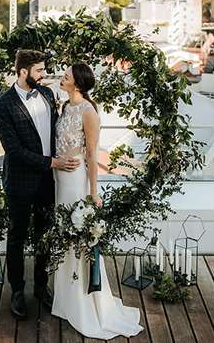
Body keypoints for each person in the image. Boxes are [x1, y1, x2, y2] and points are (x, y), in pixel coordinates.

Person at [51, 62, 144, 339]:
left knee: (78, 238)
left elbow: (92, 155)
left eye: (67, 75)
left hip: (76, 181)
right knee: (63, 238)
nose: (62, 76)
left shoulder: (89, 112)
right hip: (59, 180)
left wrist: (93, 191)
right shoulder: (65, 106)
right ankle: (66, 301)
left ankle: (84, 304)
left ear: (77, 83)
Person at [0, 49, 81, 320]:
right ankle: (17, 291)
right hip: (19, 182)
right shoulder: (3, 105)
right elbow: (14, 150)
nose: (44, 75)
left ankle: (41, 287)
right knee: (17, 237)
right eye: (39, 70)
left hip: (46, 183)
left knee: (44, 235)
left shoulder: (46, 95)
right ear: (23, 72)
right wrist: (52, 163)